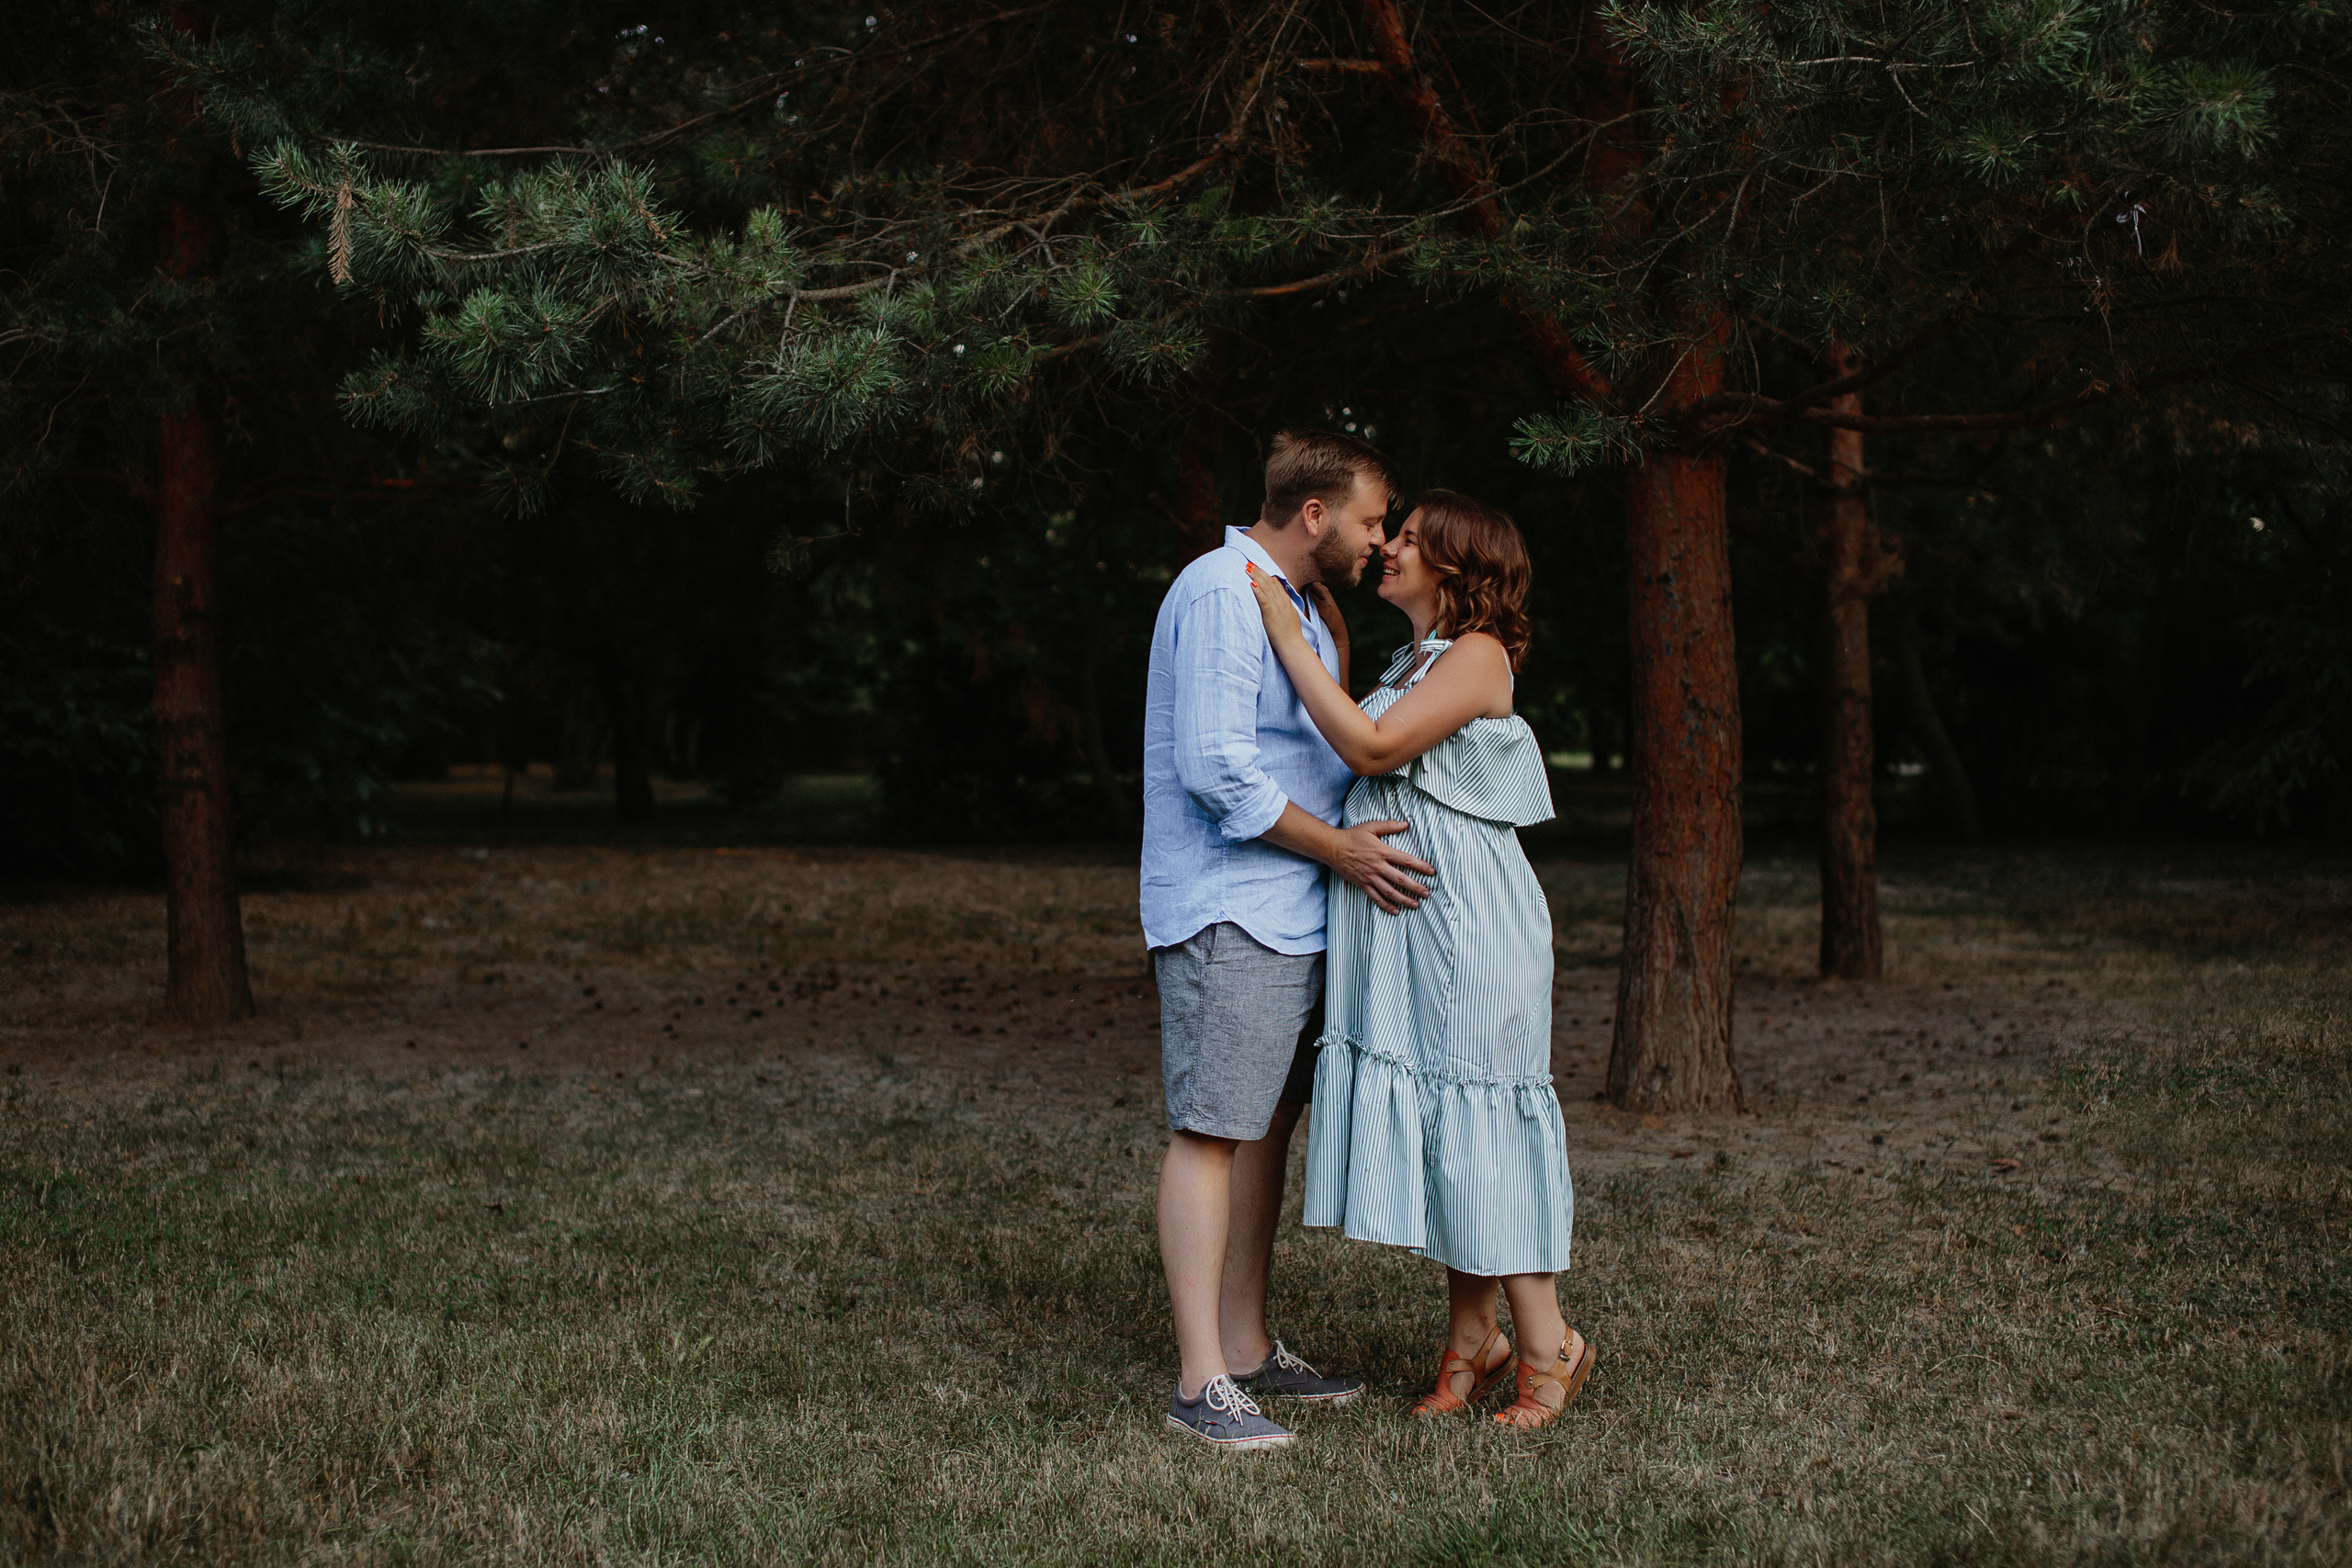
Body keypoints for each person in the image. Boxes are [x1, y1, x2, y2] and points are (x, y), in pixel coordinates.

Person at [1243, 489, 1592, 1429]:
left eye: (1408, 539)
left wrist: (1284, 629)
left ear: (1456, 564)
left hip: (1470, 925)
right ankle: (1471, 1339)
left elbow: (1368, 746)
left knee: (1485, 1115)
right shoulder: (1415, 655)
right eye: (1390, 534)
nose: (1387, 548)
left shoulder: (1477, 655)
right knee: (1452, 1124)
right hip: (1415, 930)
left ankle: (1547, 1345)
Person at [1141, 429, 1438, 1450]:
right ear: (1314, 515)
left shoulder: (1304, 605)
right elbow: (1217, 771)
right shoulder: (1227, 590)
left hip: (1293, 905)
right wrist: (1344, 853)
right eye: (1366, 521)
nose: (1377, 541)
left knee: (1262, 1127)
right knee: (1212, 1127)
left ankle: (1248, 1345)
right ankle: (1198, 1384)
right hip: (1233, 905)